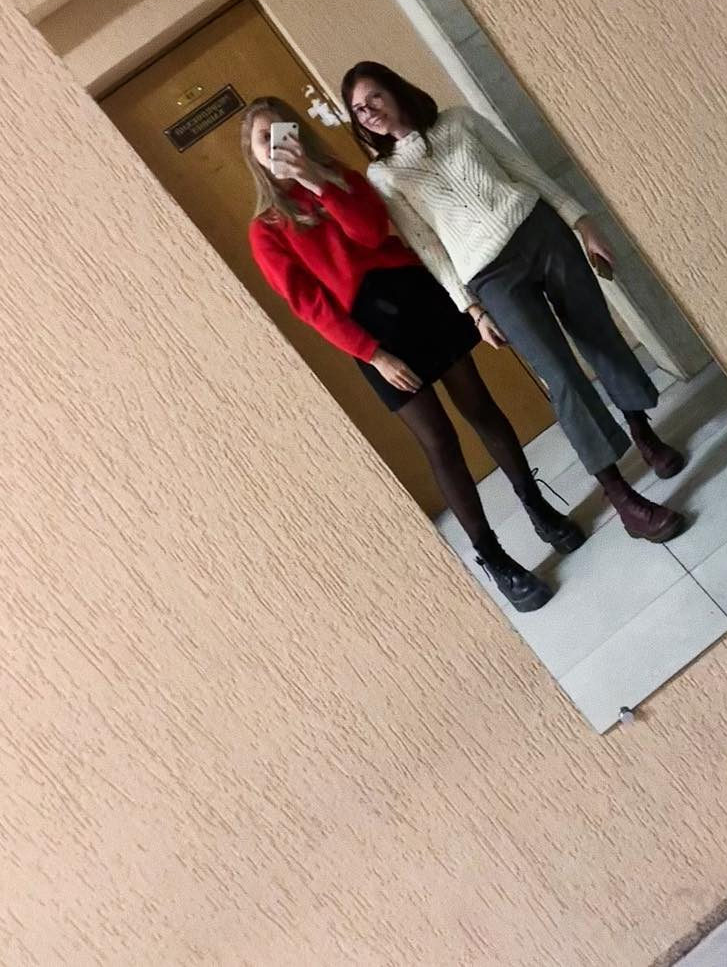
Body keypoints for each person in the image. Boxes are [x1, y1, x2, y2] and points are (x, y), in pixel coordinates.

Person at [241, 97, 585, 613]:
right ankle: (495, 559)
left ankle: (537, 508)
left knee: (481, 407)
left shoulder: (339, 177)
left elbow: (369, 232)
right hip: (371, 334)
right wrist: (373, 354)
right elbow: (309, 305)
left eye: (280, 131)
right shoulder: (266, 229)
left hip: (417, 300)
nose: (276, 145)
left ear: (298, 132)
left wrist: (315, 181)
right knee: (439, 442)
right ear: (253, 155)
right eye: (263, 140)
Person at [341, 63, 687, 544]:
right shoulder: (383, 175)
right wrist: (472, 309)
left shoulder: (459, 121)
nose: (369, 112)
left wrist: (582, 221)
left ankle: (641, 429)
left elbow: (524, 169)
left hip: (540, 232)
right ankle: (622, 497)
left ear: (395, 90)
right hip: (489, 277)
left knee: (598, 334)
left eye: (374, 97)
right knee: (560, 377)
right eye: (359, 110)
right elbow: (428, 247)